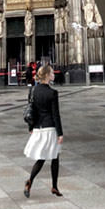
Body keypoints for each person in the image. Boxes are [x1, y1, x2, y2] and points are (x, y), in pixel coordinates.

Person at [22, 63, 64, 198]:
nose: (54, 75)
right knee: (55, 157)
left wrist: (30, 127)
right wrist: (60, 133)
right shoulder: (52, 93)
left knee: (41, 158)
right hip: (50, 128)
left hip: (38, 128)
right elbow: (55, 115)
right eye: (52, 73)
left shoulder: (33, 91)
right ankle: (54, 187)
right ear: (47, 75)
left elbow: (31, 110)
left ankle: (30, 181)